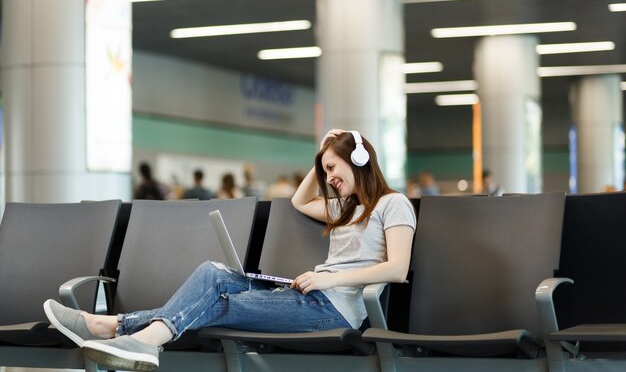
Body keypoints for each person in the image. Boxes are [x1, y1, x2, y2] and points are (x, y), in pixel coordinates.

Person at [42, 129, 416, 371]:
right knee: (213, 273)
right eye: (327, 172)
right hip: (307, 298)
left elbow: (396, 269)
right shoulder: (344, 208)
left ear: (360, 159)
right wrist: (320, 155)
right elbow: (301, 201)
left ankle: (120, 330)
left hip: (334, 313)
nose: (330, 179)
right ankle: (127, 333)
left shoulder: (393, 204)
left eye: (334, 168)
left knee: (214, 303)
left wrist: (327, 279)